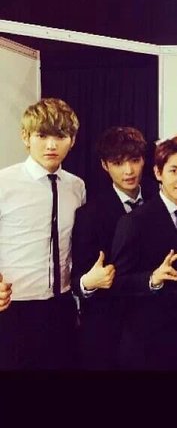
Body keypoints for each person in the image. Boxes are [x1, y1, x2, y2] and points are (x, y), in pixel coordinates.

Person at [0, 98, 85, 369]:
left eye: (60, 136)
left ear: (72, 140)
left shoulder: (77, 187)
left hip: (62, 306)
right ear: (25, 137)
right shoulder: (4, 183)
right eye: (42, 135)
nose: (51, 145)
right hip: (13, 308)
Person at [110, 135, 177, 370]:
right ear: (158, 172)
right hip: (147, 346)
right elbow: (117, 283)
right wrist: (152, 279)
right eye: (174, 171)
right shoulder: (134, 221)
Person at [71, 126, 152, 369]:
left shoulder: (160, 198)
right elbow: (78, 279)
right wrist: (88, 283)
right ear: (105, 165)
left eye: (135, 160)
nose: (128, 171)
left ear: (144, 160)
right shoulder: (89, 214)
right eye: (118, 163)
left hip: (156, 325)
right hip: (110, 330)